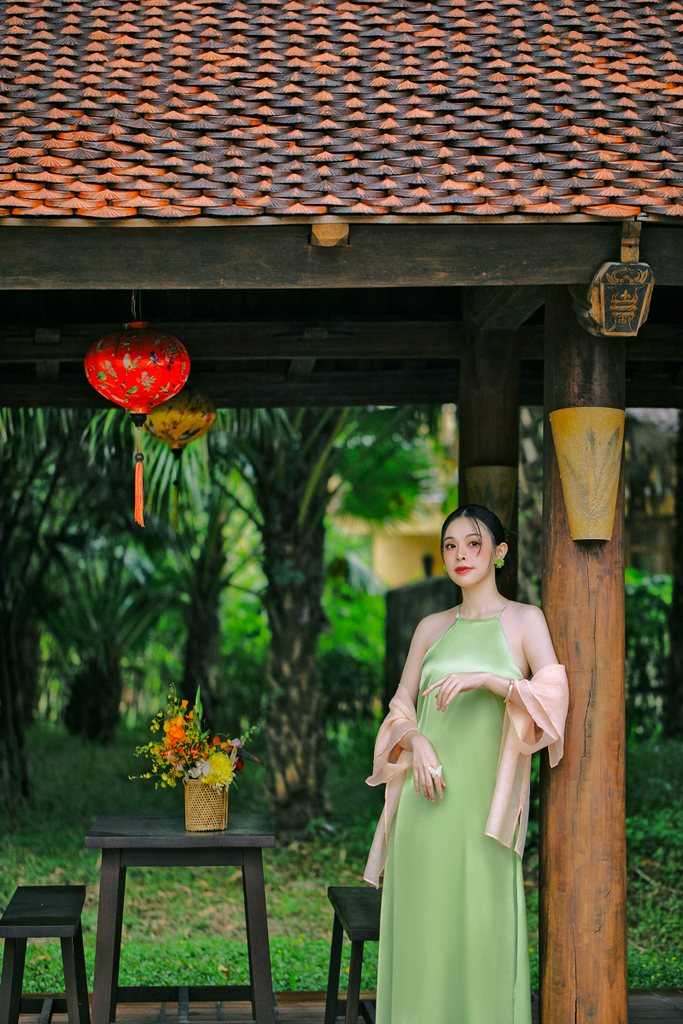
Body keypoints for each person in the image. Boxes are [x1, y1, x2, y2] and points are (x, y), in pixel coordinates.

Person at [364, 504, 569, 1024]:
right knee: (424, 934)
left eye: (474, 544)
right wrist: (417, 741)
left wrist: (491, 680)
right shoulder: (430, 628)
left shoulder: (525, 620)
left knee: (483, 931)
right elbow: (400, 708)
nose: (461, 555)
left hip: (487, 812)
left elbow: (553, 695)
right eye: (450, 546)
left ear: (499, 552)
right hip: (425, 804)